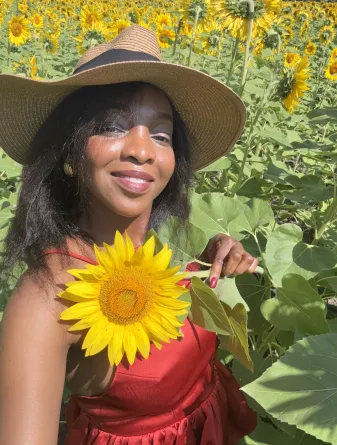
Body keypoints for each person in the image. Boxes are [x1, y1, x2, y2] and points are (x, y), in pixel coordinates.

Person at [0, 25, 258, 445]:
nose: (143, 150)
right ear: (69, 150)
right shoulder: (47, 298)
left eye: (161, 134)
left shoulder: (158, 248)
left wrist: (205, 265)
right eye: (114, 126)